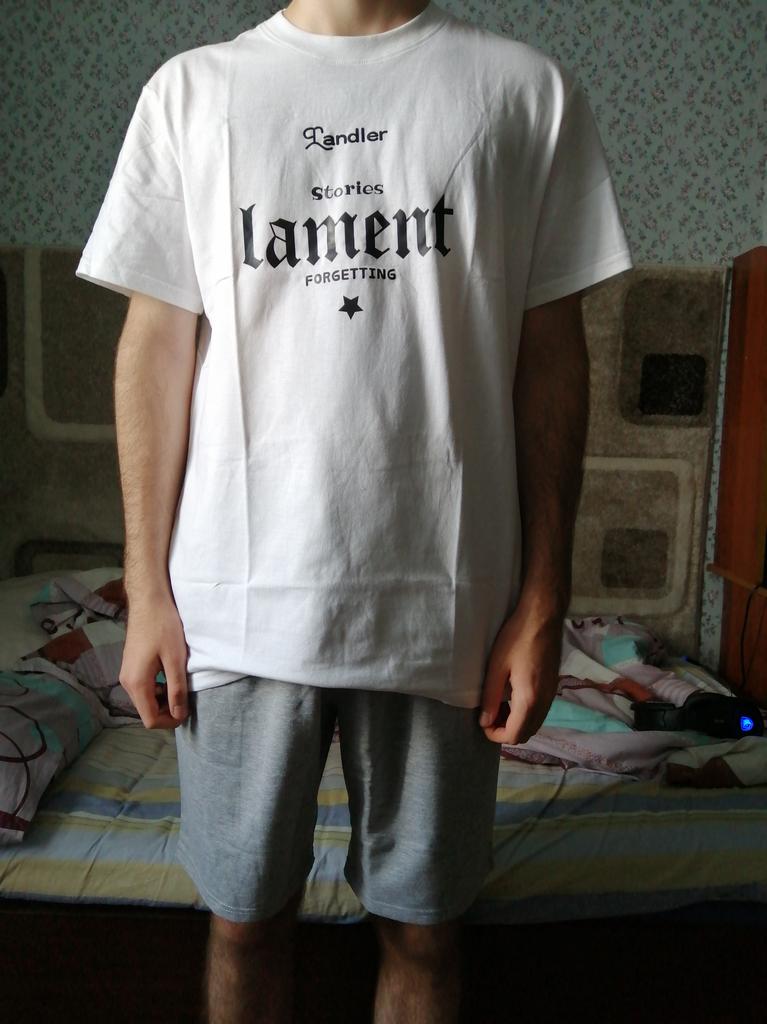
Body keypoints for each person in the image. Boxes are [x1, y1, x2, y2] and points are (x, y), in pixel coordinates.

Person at [75, 0, 633, 1020]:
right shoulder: (192, 93)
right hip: (236, 600)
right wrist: (145, 587)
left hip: (449, 602)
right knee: (243, 920)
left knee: (423, 928)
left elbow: (551, 355)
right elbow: (154, 348)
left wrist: (543, 596)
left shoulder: (524, 92)